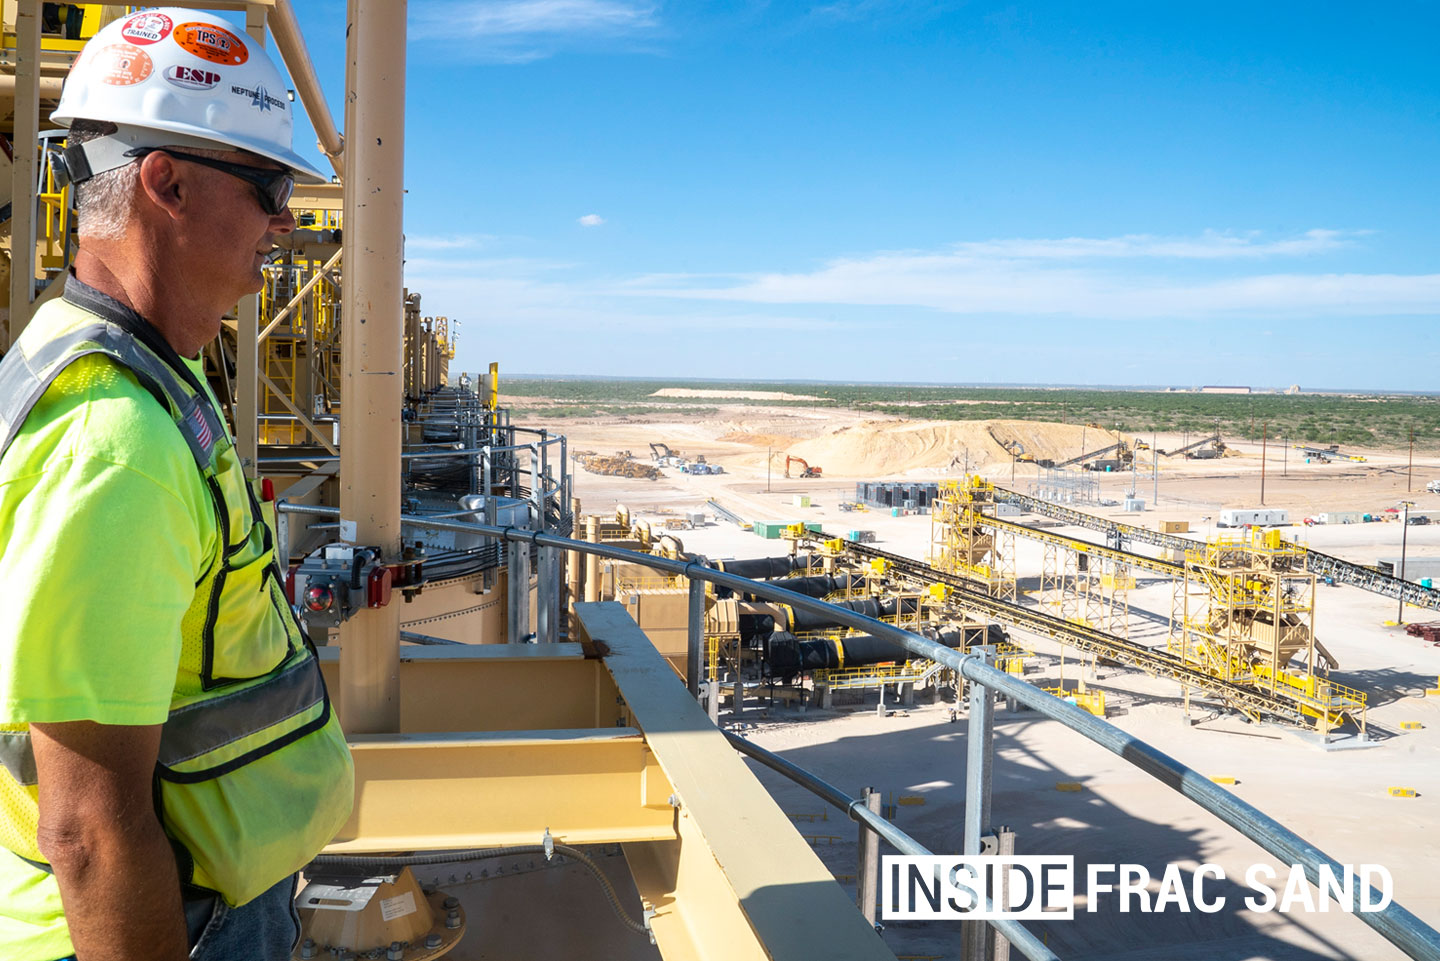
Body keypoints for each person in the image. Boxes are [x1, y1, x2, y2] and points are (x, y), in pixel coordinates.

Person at [0, 10, 353, 960]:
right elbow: (92, 830)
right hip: (164, 917)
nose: (288, 222)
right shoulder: (113, 443)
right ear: (168, 184)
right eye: (272, 187)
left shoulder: (151, 359)